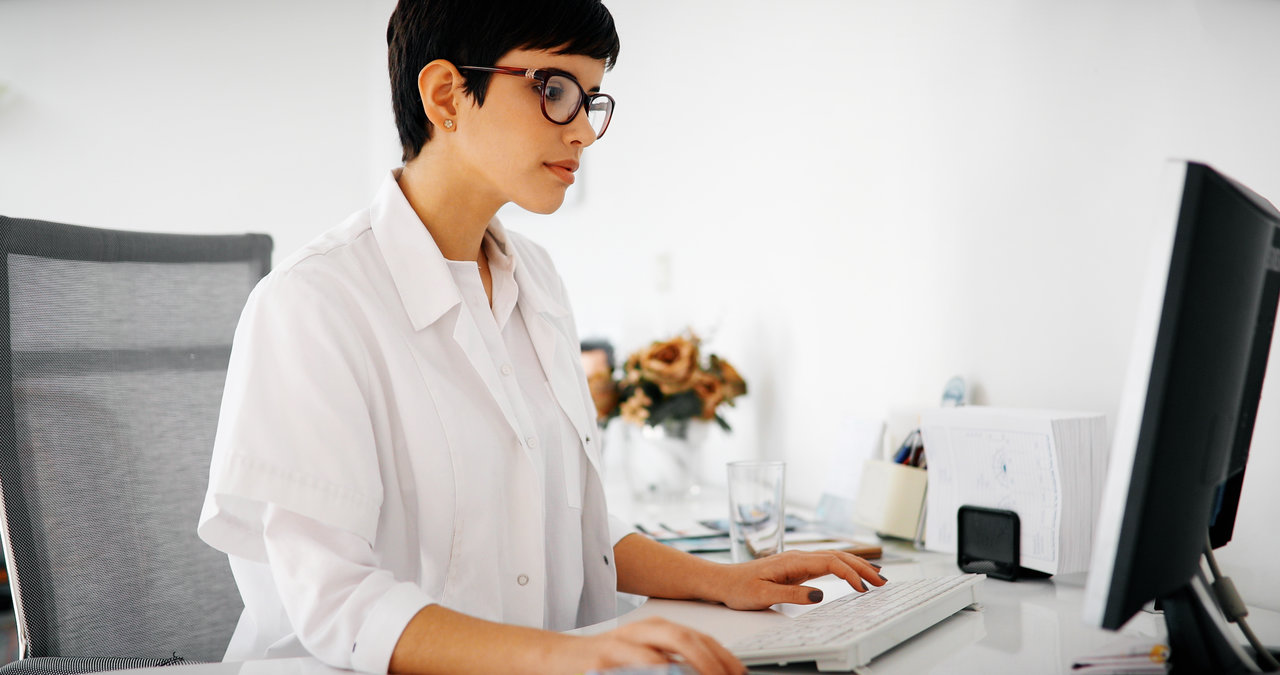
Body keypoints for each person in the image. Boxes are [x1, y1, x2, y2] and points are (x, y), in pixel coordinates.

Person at [197, 1, 886, 673]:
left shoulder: (539, 279)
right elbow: (339, 603)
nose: (583, 129)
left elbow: (576, 520)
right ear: (446, 96)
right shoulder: (311, 306)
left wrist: (723, 580)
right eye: (555, 89)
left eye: (592, 99)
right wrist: (567, 655)